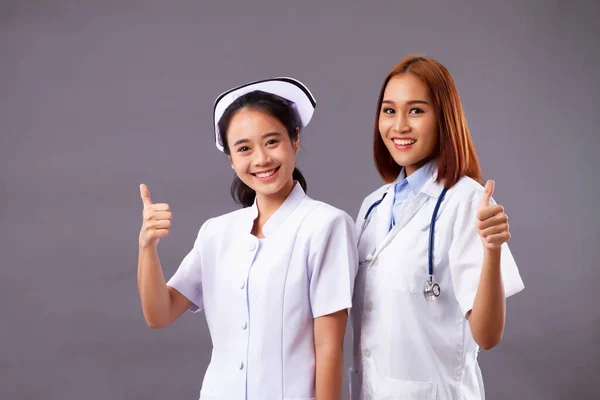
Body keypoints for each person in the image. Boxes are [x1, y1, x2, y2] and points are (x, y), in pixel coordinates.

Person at [137, 77, 358, 400]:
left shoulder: (327, 226)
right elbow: (159, 314)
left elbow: (329, 348)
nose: (261, 159)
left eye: (272, 142)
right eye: (244, 148)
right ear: (231, 159)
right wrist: (147, 247)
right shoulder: (216, 232)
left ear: (295, 139)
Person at [348, 56, 525, 400]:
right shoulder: (372, 206)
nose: (399, 125)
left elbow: (487, 336)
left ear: (443, 117)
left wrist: (491, 251)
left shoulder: (466, 201)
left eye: (415, 110)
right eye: (389, 110)